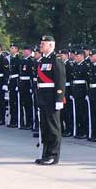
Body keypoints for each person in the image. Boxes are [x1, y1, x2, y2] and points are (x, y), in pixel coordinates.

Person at [35, 35, 66, 165]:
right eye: (41, 43)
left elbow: (60, 80)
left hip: (52, 98)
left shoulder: (56, 60)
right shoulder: (42, 60)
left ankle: (53, 155)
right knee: (45, 127)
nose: (41, 45)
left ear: (51, 45)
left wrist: (59, 99)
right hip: (43, 97)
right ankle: (46, 154)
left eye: (44, 43)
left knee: (53, 127)